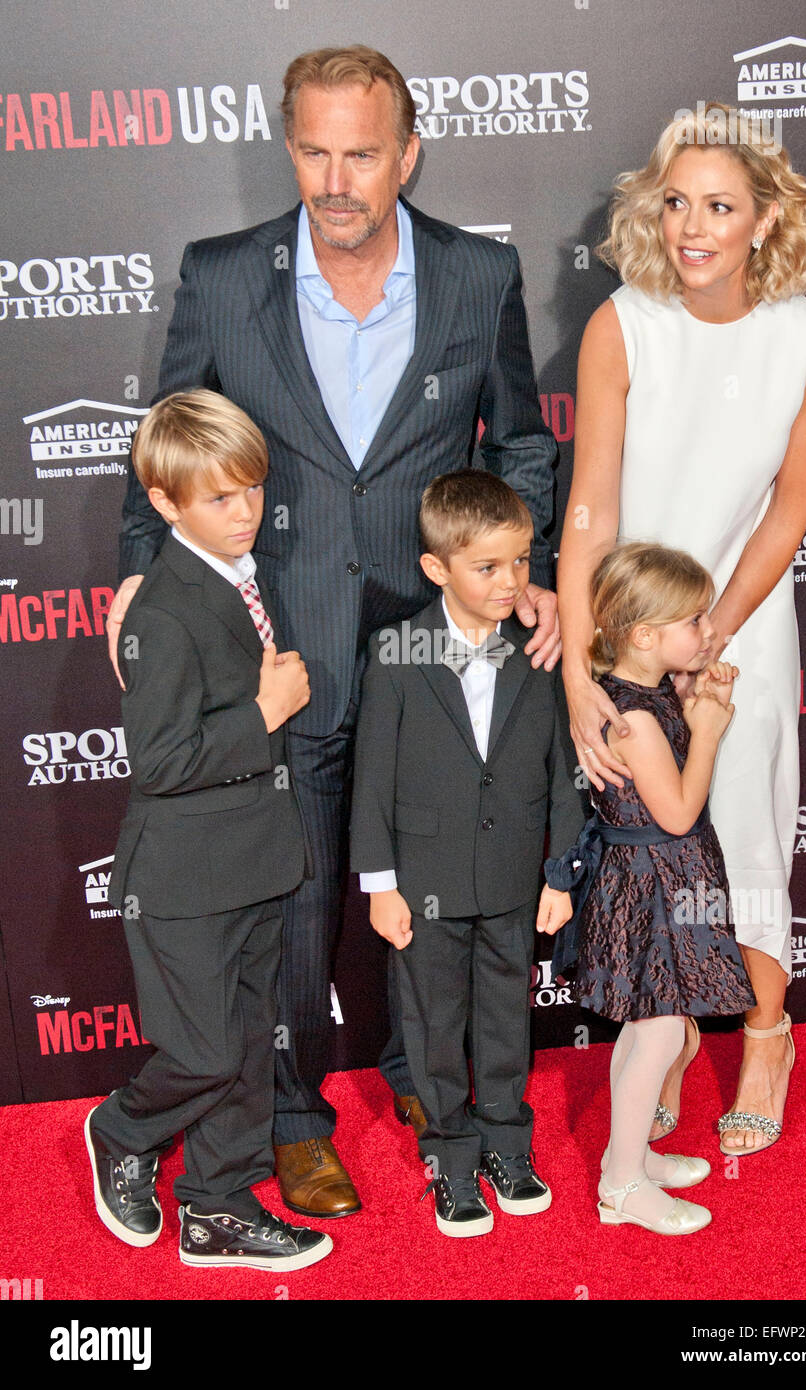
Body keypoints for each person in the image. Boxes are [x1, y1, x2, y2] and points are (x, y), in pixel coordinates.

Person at [109, 45, 559, 1217]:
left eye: (361, 152)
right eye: (313, 150)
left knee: (445, 879)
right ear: (290, 147)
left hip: (432, 649)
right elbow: (166, 435)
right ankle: (296, 1118)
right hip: (283, 646)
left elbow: (516, 441)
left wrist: (531, 571)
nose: (336, 177)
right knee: (293, 905)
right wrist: (135, 573)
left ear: (406, 153)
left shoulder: (474, 273)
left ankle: (427, 1080)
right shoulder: (220, 276)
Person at [557, 103, 806, 1156]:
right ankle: (670, 1032)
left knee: (747, 831)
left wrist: (711, 632)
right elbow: (587, 506)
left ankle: (765, 1033)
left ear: (763, 218)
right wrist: (583, 676)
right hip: (627, 641)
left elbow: (787, 509)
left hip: (739, 625)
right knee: (656, 847)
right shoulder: (620, 323)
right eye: (675, 201)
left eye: (718, 206)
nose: (691, 226)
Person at [86, 390, 332, 1272]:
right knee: (200, 1050)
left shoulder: (244, 575)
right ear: (165, 503)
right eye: (219, 499)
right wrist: (266, 712)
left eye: (253, 492)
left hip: (257, 860)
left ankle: (218, 1205)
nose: (244, 514)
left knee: (248, 1045)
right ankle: (122, 1130)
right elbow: (156, 761)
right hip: (183, 879)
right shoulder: (160, 608)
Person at [350, 471, 580, 1236]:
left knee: (506, 1021)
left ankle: (509, 1146)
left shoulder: (540, 647)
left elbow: (563, 769)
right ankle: (450, 1157)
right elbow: (371, 777)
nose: (511, 581)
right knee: (432, 1023)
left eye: (520, 561)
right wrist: (381, 886)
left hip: (516, 879)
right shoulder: (396, 650)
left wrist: (560, 869)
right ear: (436, 567)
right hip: (424, 885)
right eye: (488, 566)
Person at [544, 542, 755, 1234]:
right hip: (652, 885)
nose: (707, 630)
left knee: (645, 1030)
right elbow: (678, 813)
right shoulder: (632, 719)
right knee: (660, 1034)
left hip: (655, 880)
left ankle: (624, 1156)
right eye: (693, 620)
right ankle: (623, 1187)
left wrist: (695, 702)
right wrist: (712, 731)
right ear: (643, 635)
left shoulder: (644, 693)